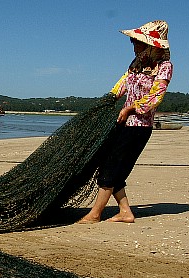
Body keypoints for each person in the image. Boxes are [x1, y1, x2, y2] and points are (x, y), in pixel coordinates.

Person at [78, 20, 173, 224]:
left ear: (153, 45)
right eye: (133, 41)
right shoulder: (135, 64)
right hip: (123, 124)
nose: (134, 45)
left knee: (112, 168)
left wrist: (130, 108)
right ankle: (125, 212)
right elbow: (121, 84)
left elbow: (156, 97)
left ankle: (95, 214)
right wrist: (110, 99)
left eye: (138, 42)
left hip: (139, 127)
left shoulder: (164, 67)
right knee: (113, 168)